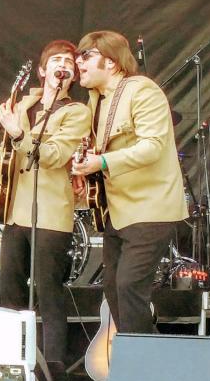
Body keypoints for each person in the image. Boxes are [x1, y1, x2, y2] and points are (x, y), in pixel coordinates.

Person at [71, 31, 187, 335]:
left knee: (129, 286)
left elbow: (153, 147)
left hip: (150, 208)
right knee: (113, 289)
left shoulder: (142, 91)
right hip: (117, 211)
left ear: (110, 62)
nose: (78, 63)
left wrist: (103, 162)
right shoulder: (95, 101)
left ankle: (141, 370)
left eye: (86, 56)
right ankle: (142, 360)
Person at [0, 39, 91, 371]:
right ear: (43, 70)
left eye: (70, 63)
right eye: (57, 60)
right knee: (10, 290)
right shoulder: (21, 106)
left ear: (72, 76)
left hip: (51, 211)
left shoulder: (76, 112)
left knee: (49, 294)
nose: (64, 65)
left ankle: (54, 372)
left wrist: (19, 137)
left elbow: (55, 155)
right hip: (14, 209)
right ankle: (11, 365)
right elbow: (9, 150)